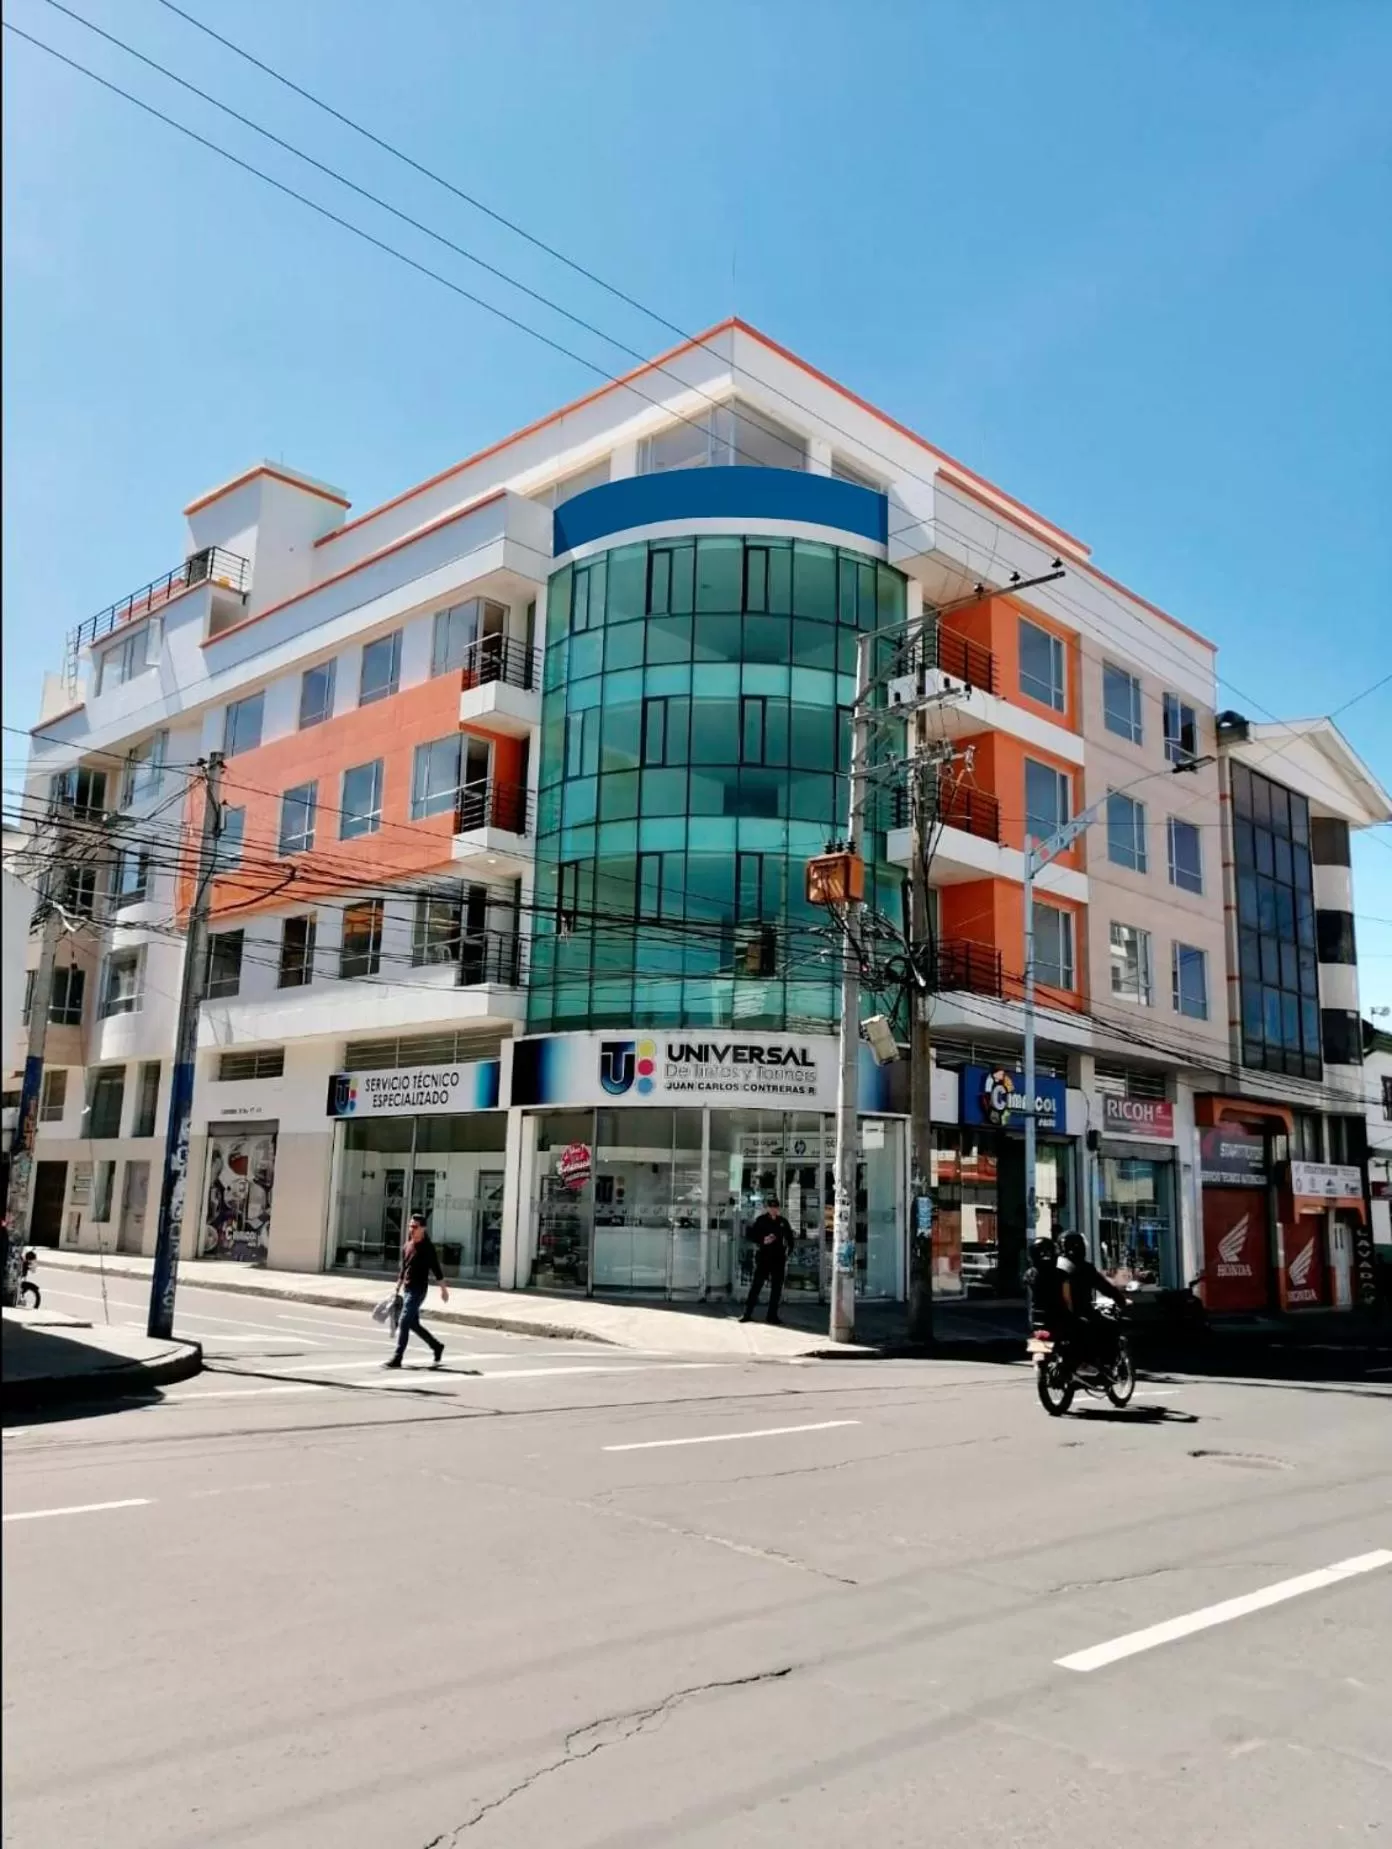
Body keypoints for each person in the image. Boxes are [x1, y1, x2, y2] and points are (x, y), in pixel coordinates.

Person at [383, 1214, 449, 1368]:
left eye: (415, 1226)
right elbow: (404, 1268)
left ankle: (397, 1358)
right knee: (413, 1324)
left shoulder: (428, 1248)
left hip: (419, 1290)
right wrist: (397, 1286)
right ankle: (436, 1346)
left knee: (404, 1321)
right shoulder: (407, 1246)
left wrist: (443, 1290)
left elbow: (436, 1270)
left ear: (423, 1228)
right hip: (407, 1289)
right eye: (410, 1226)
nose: (411, 1229)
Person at [1057, 1230, 1127, 1371]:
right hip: (1079, 1313)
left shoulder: (1055, 1265)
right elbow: (1105, 1287)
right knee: (1111, 1325)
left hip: (1055, 1315)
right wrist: (1121, 1300)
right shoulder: (1083, 1267)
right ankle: (1105, 1364)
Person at [740, 1197, 794, 1325]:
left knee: (776, 1289)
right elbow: (751, 1235)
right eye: (771, 1207)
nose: (773, 1210)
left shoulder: (783, 1222)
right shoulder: (761, 1220)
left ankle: (772, 1315)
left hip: (779, 1259)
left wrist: (788, 1251)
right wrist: (763, 1240)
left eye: (775, 1207)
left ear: (778, 1208)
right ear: (767, 1208)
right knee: (756, 1286)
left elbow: (790, 1239)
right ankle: (747, 1313)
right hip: (764, 1258)